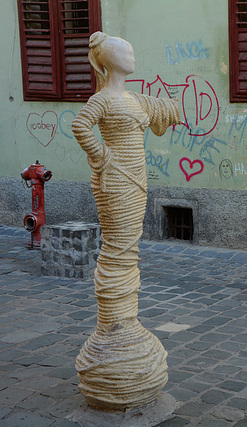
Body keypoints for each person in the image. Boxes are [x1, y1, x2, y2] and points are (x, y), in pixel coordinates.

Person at [72, 32, 181, 410]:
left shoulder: (133, 98)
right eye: (124, 50)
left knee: (128, 248)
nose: (131, 54)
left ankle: (125, 327)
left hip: (137, 180)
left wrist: (171, 109)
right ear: (106, 59)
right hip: (116, 179)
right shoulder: (100, 99)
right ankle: (114, 335)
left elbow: (158, 113)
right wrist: (103, 158)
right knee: (118, 247)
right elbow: (80, 127)